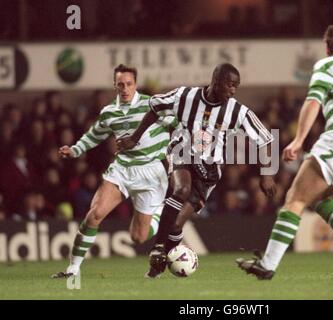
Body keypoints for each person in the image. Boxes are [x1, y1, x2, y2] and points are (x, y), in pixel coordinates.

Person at [236, 25, 333, 279]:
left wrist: (298, 141)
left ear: (327, 49)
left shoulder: (326, 66)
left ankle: (268, 265)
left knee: (295, 198)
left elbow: (313, 101)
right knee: (317, 198)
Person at [117, 63, 277, 278]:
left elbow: (266, 139)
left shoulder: (237, 111)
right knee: (181, 189)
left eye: (236, 86)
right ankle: (157, 248)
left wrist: (267, 175)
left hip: (209, 173)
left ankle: (158, 265)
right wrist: (135, 138)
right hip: (181, 152)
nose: (233, 90)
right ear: (216, 81)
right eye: (230, 85)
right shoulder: (185, 96)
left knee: (174, 226)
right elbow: (155, 107)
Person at [52, 64, 177, 278]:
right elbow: (94, 135)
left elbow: (178, 124)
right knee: (95, 214)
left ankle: (164, 214)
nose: (125, 88)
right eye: (120, 84)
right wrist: (75, 149)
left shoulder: (153, 105)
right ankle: (73, 269)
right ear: (114, 85)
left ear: (135, 84)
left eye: (129, 84)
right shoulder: (109, 112)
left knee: (138, 237)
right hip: (122, 170)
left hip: (151, 173)